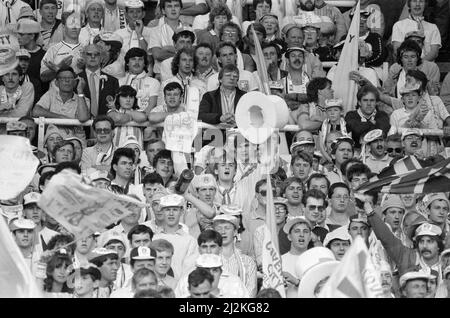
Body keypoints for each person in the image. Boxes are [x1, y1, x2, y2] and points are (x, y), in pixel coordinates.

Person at [361, 195, 445, 283]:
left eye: (430, 241)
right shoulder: (407, 256)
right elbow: (386, 237)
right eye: (421, 241)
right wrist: (370, 213)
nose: (425, 246)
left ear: (438, 245)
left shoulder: (446, 262)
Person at [33, 66, 90, 142]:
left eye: (70, 78)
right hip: (54, 142)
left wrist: (80, 91)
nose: (67, 81)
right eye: (63, 78)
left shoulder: (83, 99)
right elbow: (36, 111)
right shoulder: (50, 95)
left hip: (76, 144)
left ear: (75, 82)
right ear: (56, 83)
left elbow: (83, 118)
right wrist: (60, 117)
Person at [153, 194, 199, 280]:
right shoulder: (154, 238)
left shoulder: (190, 241)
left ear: (181, 212)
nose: (171, 213)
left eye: (175, 210)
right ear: (162, 212)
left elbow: (190, 271)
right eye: (167, 210)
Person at [213, 212, 257, 297]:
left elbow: (251, 292)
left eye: (227, 228)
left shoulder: (248, 262)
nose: (223, 232)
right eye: (219, 228)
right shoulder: (210, 261)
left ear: (235, 232)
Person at [40, 11, 84, 83]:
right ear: (63, 27)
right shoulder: (53, 49)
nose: (74, 27)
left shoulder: (88, 50)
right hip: (56, 93)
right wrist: (60, 67)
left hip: (80, 93)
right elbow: (43, 77)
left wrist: (85, 67)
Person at [78, 44, 120, 118]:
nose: (93, 57)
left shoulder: (113, 81)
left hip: (105, 126)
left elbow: (116, 105)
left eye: (97, 54)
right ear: (83, 56)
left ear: (102, 57)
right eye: (89, 54)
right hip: (80, 126)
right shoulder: (76, 79)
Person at [345, 85, 391, 150]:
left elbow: (382, 132)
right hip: (355, 154)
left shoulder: (382, 115)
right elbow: (356, 129)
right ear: (359, 102)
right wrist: (372, 123)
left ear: (376, 102)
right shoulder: (351, 115)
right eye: (365, 100)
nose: (369, 103)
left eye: (372, 100)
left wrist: (362, 125)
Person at [119, 47, 160, 112]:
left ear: (144, 64)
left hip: (145, 119)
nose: (137, 62)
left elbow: (151, 106)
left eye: (140, 59)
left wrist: (140, 118)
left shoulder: (154, 82)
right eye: (133, 59)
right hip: (123, 118)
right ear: (127, 63)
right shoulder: (119, 82)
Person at [253, 197, 290, 268]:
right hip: (268, 270)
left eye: (281, 208)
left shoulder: (292, 230)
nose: (277, 211)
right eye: (273, 208)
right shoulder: (260, 231)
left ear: (286, 214)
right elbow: (260, 260)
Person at [281, 216, 313, 298]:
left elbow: (320, 289)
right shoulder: (279, 260)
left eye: (305, 231)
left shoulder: (316, 260)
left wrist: (297, 282)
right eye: (297, 231)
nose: (301, 235)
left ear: (310, 237)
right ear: (289, 237)